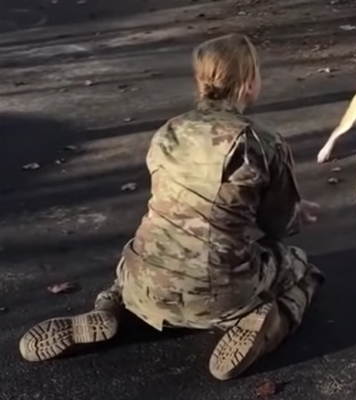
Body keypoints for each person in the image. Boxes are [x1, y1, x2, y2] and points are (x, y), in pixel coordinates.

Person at [18, 33, 324, 381]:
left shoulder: (169, 131)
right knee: (301, 267)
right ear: (249, 83)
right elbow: (278, 226)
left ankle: (110, 310)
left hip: (144, 280)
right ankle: (266, 322)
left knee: (134, 267)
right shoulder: (261, 140)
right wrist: (298, 213)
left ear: (200, 80)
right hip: (220, 289)